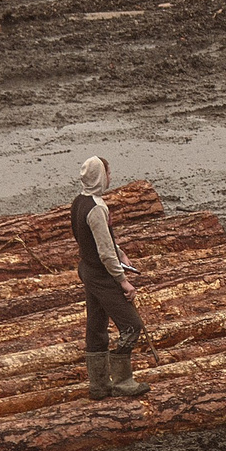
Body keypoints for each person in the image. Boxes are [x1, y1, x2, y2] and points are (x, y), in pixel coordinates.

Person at [73, 156, 149, 400]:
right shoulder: (96, 208)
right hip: (102, 275)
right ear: (99, 176)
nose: (111, 177)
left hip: (87, 270)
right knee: (131, 325)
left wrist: (121, 252)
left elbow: (99, 241)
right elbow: (105, 252)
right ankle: (123, 380)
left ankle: (98, 385)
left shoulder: (79, 202)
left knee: (96, 326)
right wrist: (123, 281)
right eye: (108, 172)